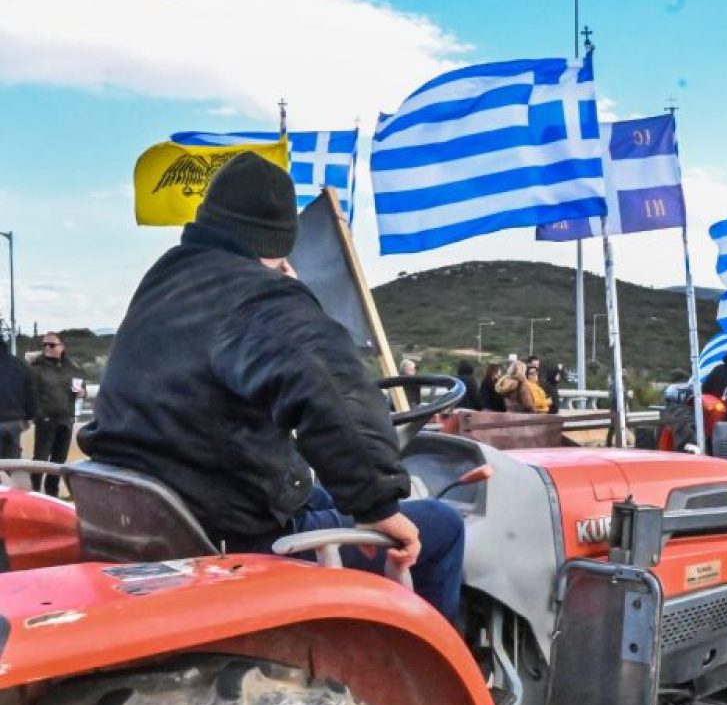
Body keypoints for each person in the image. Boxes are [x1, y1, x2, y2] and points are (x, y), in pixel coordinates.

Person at [78, 152, 463, 622]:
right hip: (229, 536)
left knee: (317, 494)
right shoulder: (258, 295)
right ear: (280, 242)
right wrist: (377, 503)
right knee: (442, 525)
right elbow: (333, 389)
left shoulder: (168, 280)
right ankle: (432, 678)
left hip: (169, 504)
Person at [29, 332, 85, 497]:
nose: (47, 348)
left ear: (62, 346)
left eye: (51, 345)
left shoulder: (73, 366)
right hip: (46, 419)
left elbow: (82, 387)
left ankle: (52, 492)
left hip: (66, 419)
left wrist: (82, 392)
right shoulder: (36, 367)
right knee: (40, 458)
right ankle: (35, 492)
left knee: (59, 459)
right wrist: (39, 413)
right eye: (44, 345)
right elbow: (31, 393)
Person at [0, 340, 36, 460]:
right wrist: (29, 416)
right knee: (11, 462)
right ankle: (8, 478)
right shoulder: (20, 364)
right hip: (14, 422)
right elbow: (30, 394)